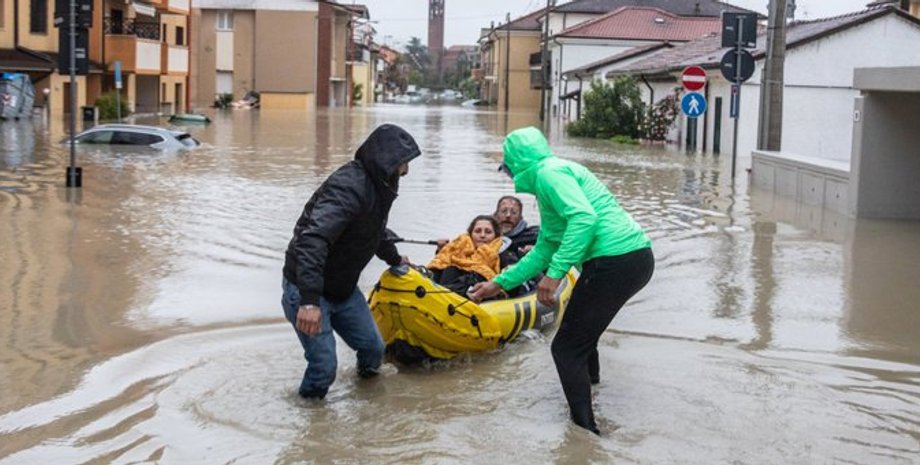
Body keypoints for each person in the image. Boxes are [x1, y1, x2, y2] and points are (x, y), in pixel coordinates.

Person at [468, 126, 654, 435]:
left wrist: (554, 275)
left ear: (518, 163)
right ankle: (593, 393)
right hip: (630, 258)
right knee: (582, 338)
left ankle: (585, 435)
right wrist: (498, 283)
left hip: (616, 260)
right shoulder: (551, 179)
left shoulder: (548, 174)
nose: (509, 176)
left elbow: (584, 219)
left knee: (565, 349)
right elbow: (545, 247)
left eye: (508, 168)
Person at [282, 124, 421, 400]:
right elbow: (313, 240)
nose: (406, 169)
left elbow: (373, 230)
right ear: (387, 159)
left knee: (374, 350)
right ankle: (309, 414)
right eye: (404, 162)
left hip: (343, 289)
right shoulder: (348, 187)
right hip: (308, 290)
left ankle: (367, 399)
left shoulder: (381, 186)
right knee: (324, 368)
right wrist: (309, 302)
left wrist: (395, 259)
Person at [427, 215, 503, 296]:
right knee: (450, 269)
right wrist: (440, 250)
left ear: (496, 235)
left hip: (479, 292)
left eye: (488, 232)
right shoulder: (457, 248)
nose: (482, 235)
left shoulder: (502, 253)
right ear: (470, 234)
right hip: (448, 287)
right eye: (478, 231)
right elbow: (440, 263)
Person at [493, 195, 540, 267]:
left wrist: (536, 251)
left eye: (514, 212)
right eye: (504, 211)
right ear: (496, 215)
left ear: (520, 217)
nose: (508, 215)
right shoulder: (484, 235)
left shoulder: (534, 236)